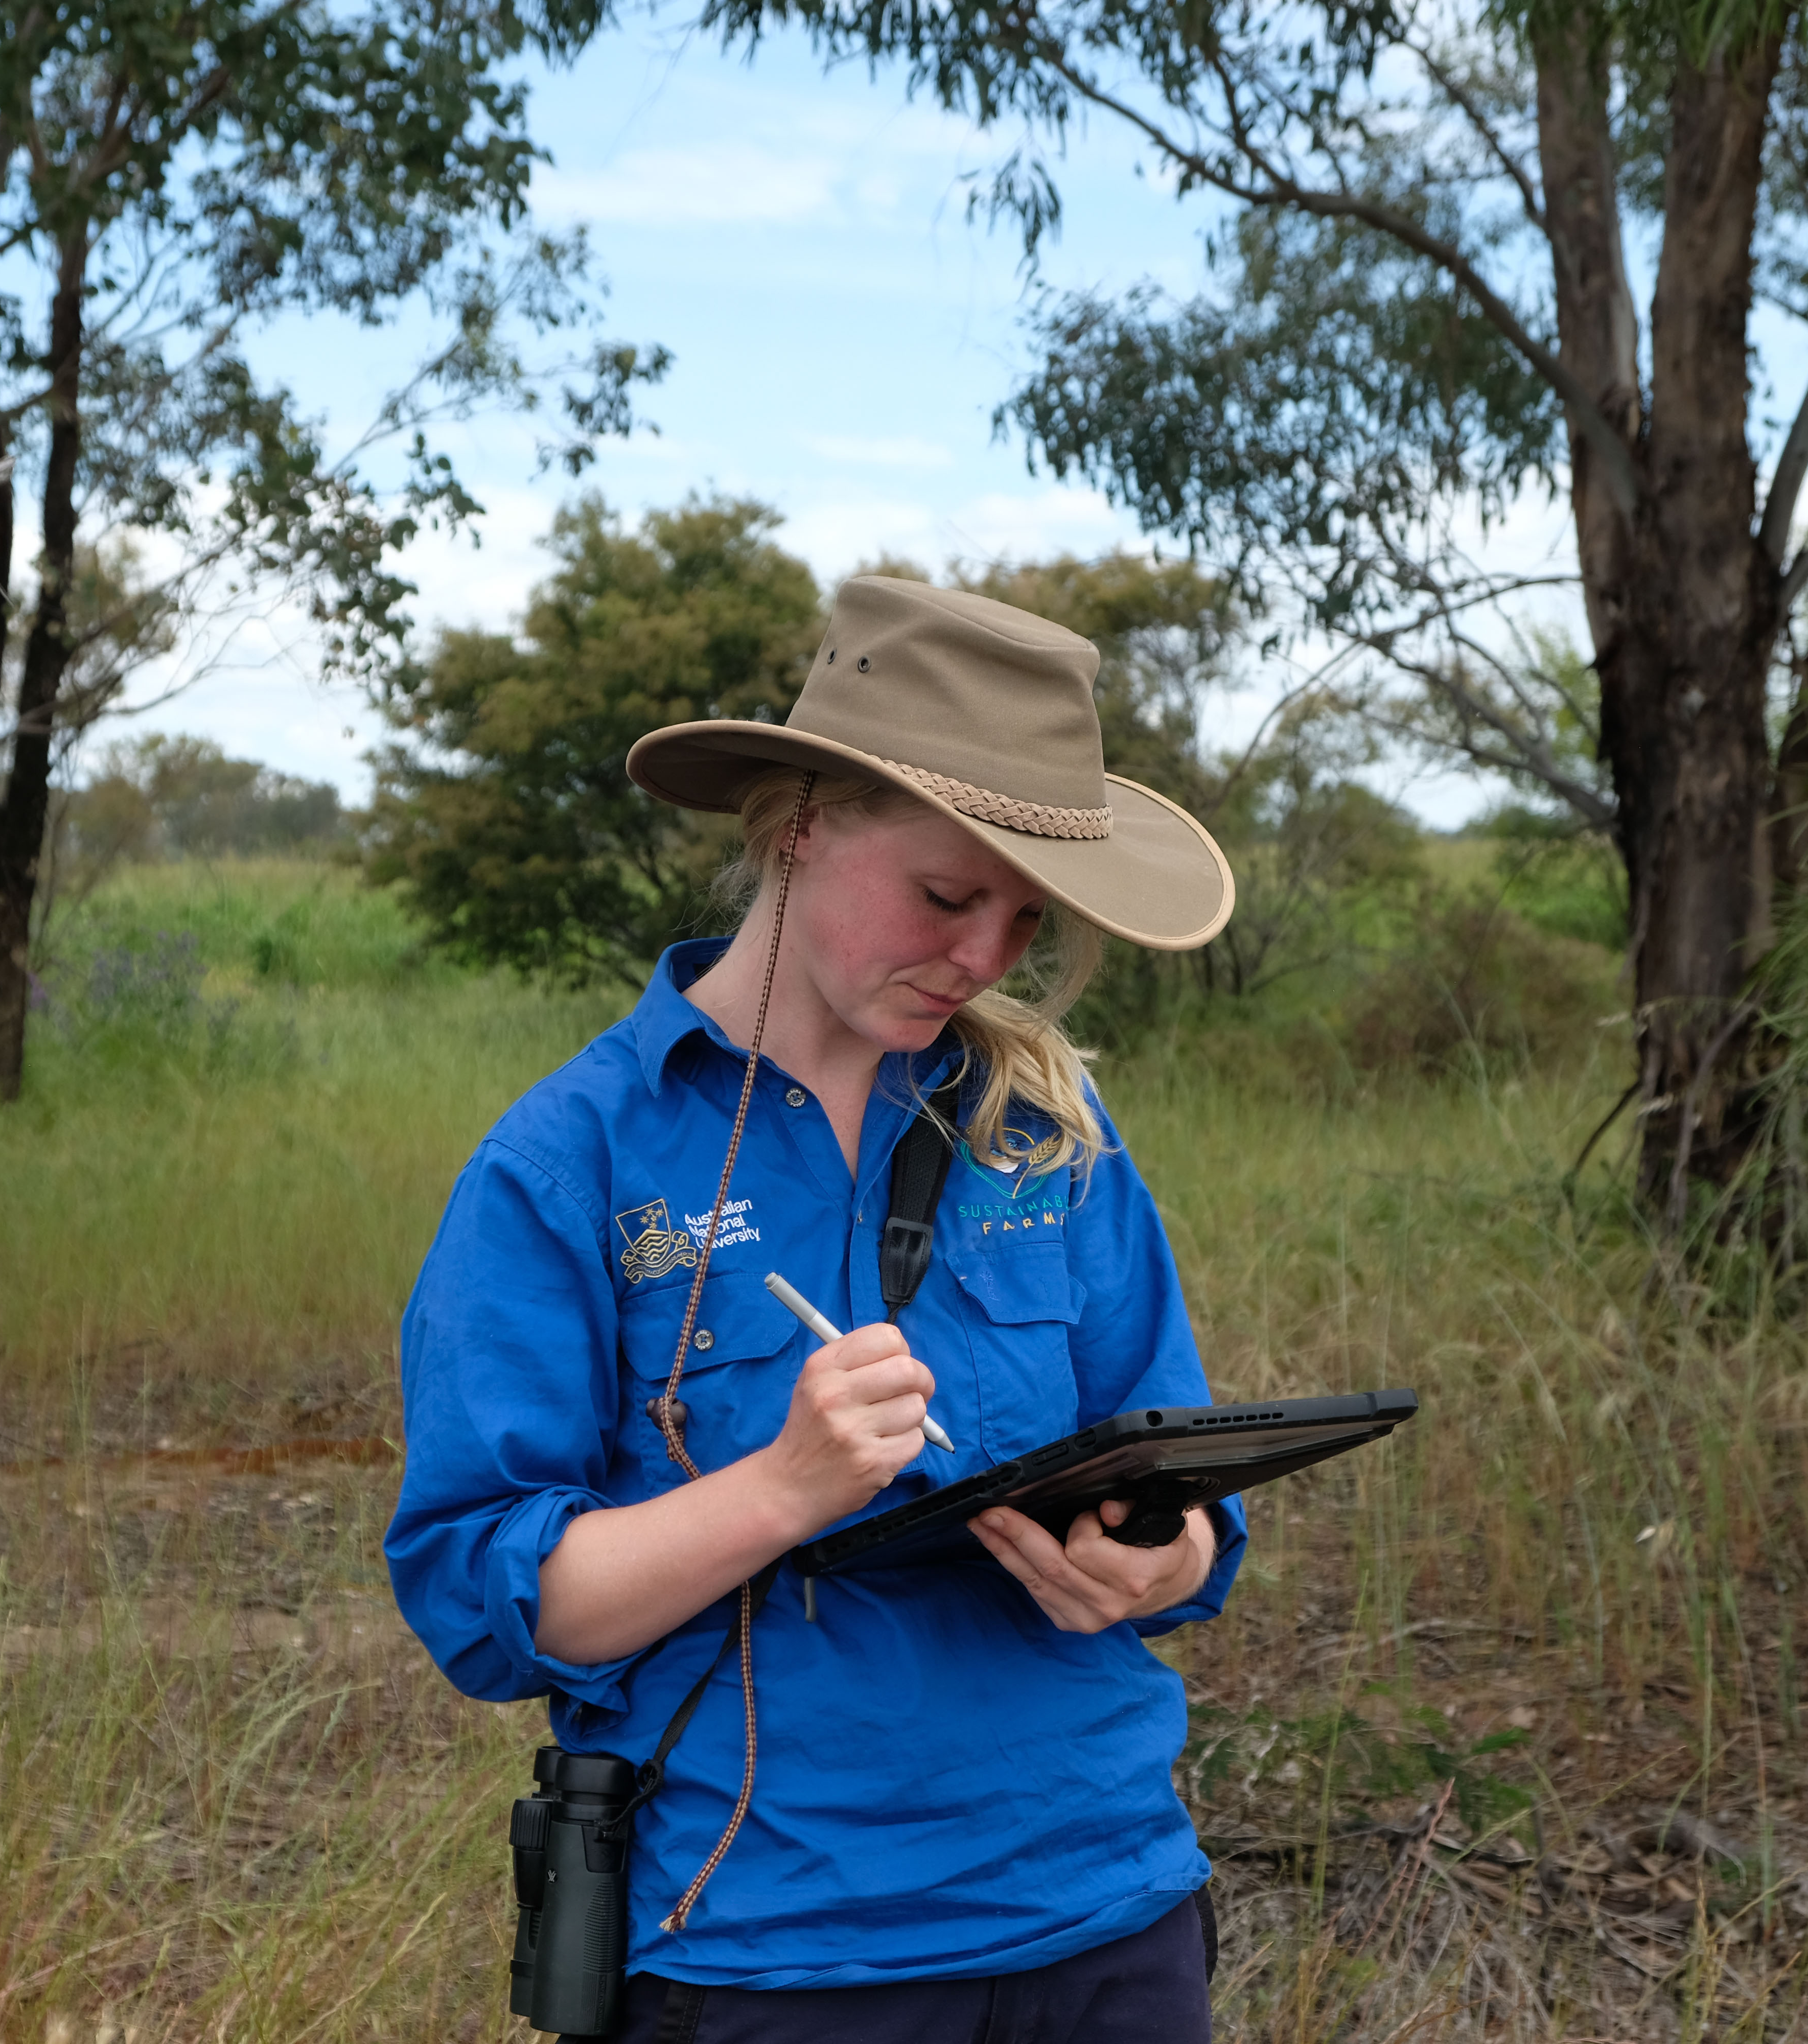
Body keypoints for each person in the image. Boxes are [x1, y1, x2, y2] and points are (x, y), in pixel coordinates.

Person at [385, 575, 1246, 2041]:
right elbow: (484, 1598)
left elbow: (1179, 1480)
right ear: (801, 824)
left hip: (1108, 1909)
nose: (982, 960)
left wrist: (1157, 1565)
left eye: (1025, 920)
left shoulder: (1042, 1129)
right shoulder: (571, 1164)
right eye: (945, 894)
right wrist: (783, 1486)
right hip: (775, 1946)